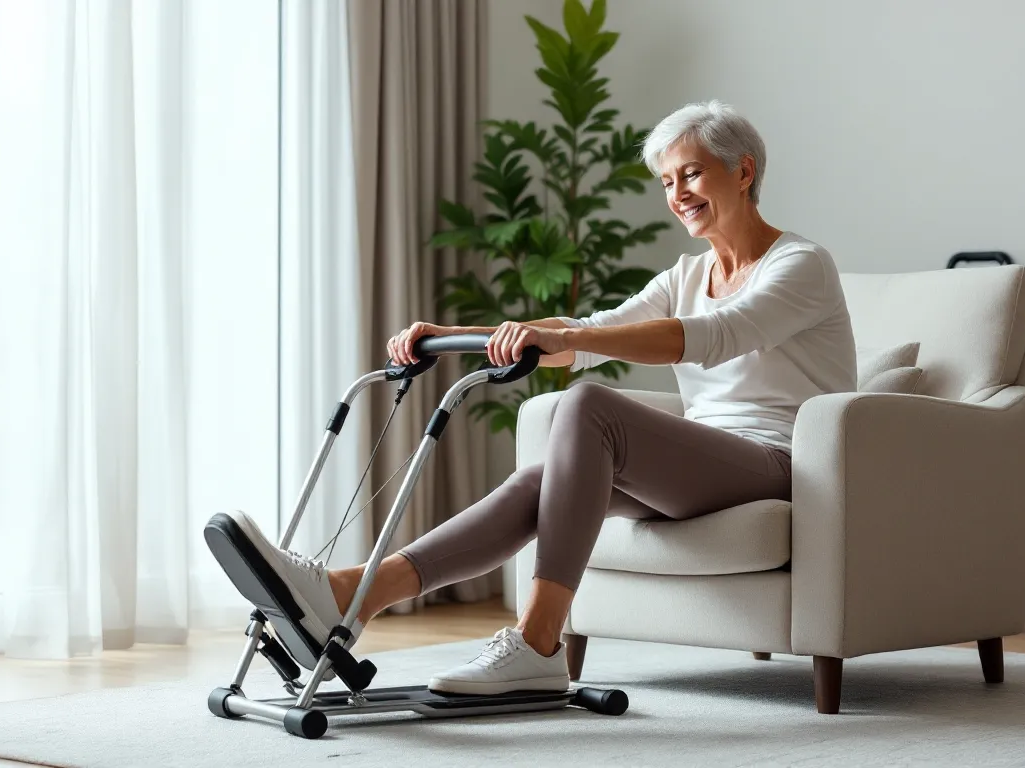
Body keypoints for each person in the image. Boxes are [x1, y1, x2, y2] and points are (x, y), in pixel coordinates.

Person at [213, 100, 856, 696]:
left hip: (778, 465)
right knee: (541, 482)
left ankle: (538, 641)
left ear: (743, 171)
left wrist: (577, 337)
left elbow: (713, 338)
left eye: (692, 175)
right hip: (708, 465)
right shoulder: (686, 275)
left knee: (588, 406)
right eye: (667, 182)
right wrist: (457, 336)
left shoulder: (800, 265)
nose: (678, 194)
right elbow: (585, 337)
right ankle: (349, 593)